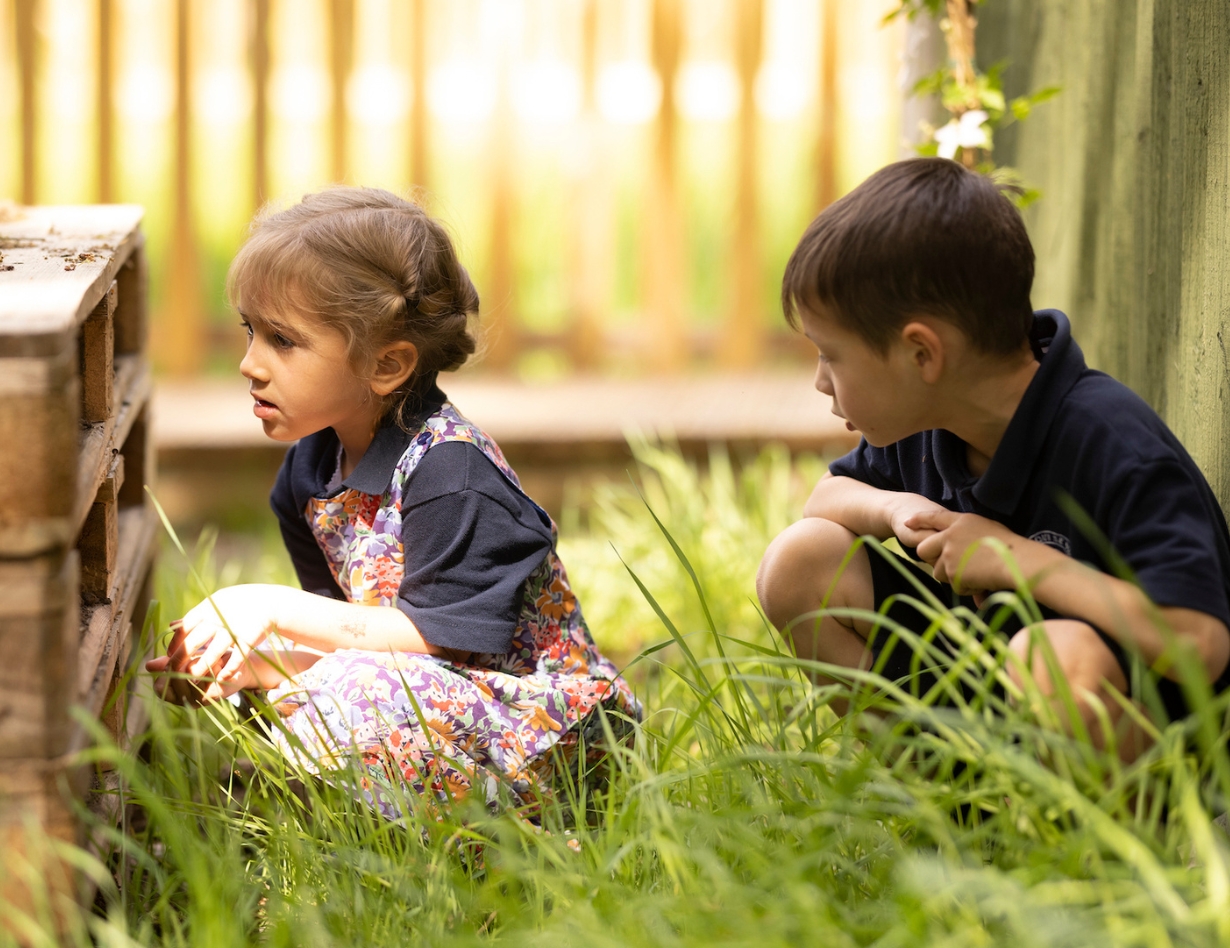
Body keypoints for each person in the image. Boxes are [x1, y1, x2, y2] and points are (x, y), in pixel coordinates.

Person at [146, 187, 639, 816]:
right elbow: (349, 639)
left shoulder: (450, 473)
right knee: (292, 676)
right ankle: (348, 828)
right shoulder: (309, 471)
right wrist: (249, 658)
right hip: (442, 700)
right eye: (251, 332)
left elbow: (434, 642)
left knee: (349, 686)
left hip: (548, 732)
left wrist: (267, 608)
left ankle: (499, 843)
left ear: (387, 365)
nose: (249, 363)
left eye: (283, 341)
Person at [755, 158, 1230, 760]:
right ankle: (948, 811)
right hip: (1001, 707)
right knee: (798, 560)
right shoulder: (928, 418)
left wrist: (1015, 560)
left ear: (922, 354)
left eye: (832, 356)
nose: (822, 382)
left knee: (1051, 657)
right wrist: (897, 507)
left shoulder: (1110, 441)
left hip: (1154, 752)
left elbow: (1200, 641)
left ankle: (1095, 849)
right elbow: (825, 497)